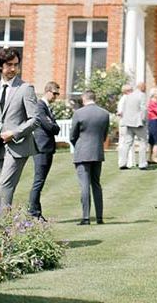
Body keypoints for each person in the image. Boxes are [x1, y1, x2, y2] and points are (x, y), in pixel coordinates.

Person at [0, 48, 39, 217]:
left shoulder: (25, 88)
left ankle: (3, 231)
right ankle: (1, 230)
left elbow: (35, 120)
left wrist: (14, 133)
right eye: (9, 65)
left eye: (16, 65)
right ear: (0, 66)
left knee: (4, 187)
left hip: (18, 146)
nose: (14, 69)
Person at [69, 89, 111, 225]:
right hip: (97, 152)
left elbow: (72, 136)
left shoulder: (79, 113)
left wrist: (78, 146)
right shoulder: (104, 114)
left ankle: (86, 217)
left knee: (85, 185)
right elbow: (104, 135)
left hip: (82, 152)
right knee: (96, 185)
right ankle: (99, 217)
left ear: (83, 99)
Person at [28, 80, 62, 220]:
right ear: (48, 91)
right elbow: (51, 127)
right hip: (41, 148)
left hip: (46, 148)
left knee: (40, 181)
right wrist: (54, 126)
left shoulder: (46, 107)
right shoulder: (40, 106)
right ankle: (33, 212)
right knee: (38, 181)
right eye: (55, 93)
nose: (56, 96)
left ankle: (36, 211)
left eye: (58, 94)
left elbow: (55, 127)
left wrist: (54, 126)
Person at [118, 81, 148, 170]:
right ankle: (142, 164)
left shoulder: (129, 96)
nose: (145, 88)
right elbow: (143, 108)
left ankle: (122, 163)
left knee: (127, 143)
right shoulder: (141, 95)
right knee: (142, 142)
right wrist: (143, 120)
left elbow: (124, 109)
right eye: (144, 86)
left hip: (128, 122)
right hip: (138, 123)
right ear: (141, 87)